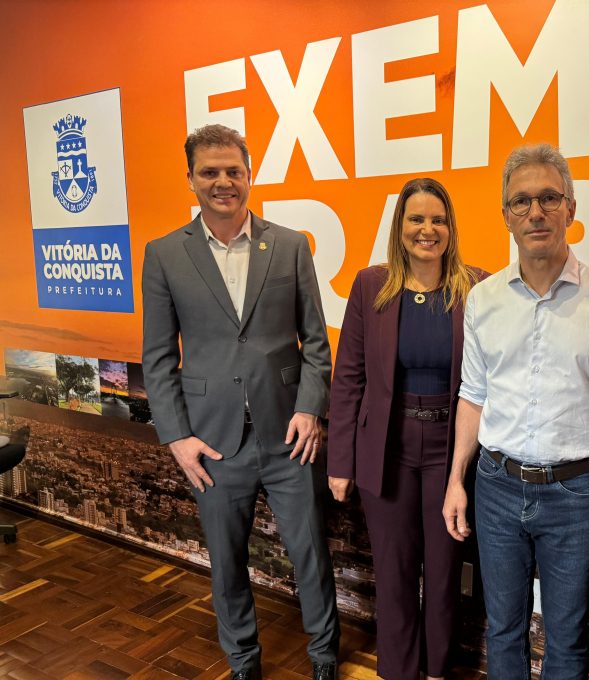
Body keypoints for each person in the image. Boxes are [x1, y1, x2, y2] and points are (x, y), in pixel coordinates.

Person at [141, 124, 340, 680]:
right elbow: (158, 357)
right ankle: (243, 662)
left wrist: (310, 408)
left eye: (234, 170)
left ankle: (325, 656)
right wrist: (177, 438)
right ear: (190, 179)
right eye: (210, 172)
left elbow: (315, 342)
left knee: (311, 555)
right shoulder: (164, 255)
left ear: (250, 176)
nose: (223, 181)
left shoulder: (291, 244)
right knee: (227, 563)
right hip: (212, 442)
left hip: (289, 436)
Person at [442, 144, 589, 677]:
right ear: (506, 215)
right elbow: (473, 394)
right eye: (522, 201)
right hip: (496, 486)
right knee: (502, 628)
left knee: (567, 635)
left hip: (575, 494)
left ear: (570, 209)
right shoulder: (483, 299)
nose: (536, 212)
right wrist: (457, 480)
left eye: (549, 198)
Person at [328, 178, 485, 680]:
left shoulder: (476, 287)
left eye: (438, 219)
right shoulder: (370, 285)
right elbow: (348, 377)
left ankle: (436, 671)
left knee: (444, 573)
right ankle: (396, 671)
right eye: (416, 219)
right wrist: (340, 462)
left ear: (450, 228)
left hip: (451, 450)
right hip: (387, 448)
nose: (427, 229)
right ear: (400, 227)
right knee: (393, 572)